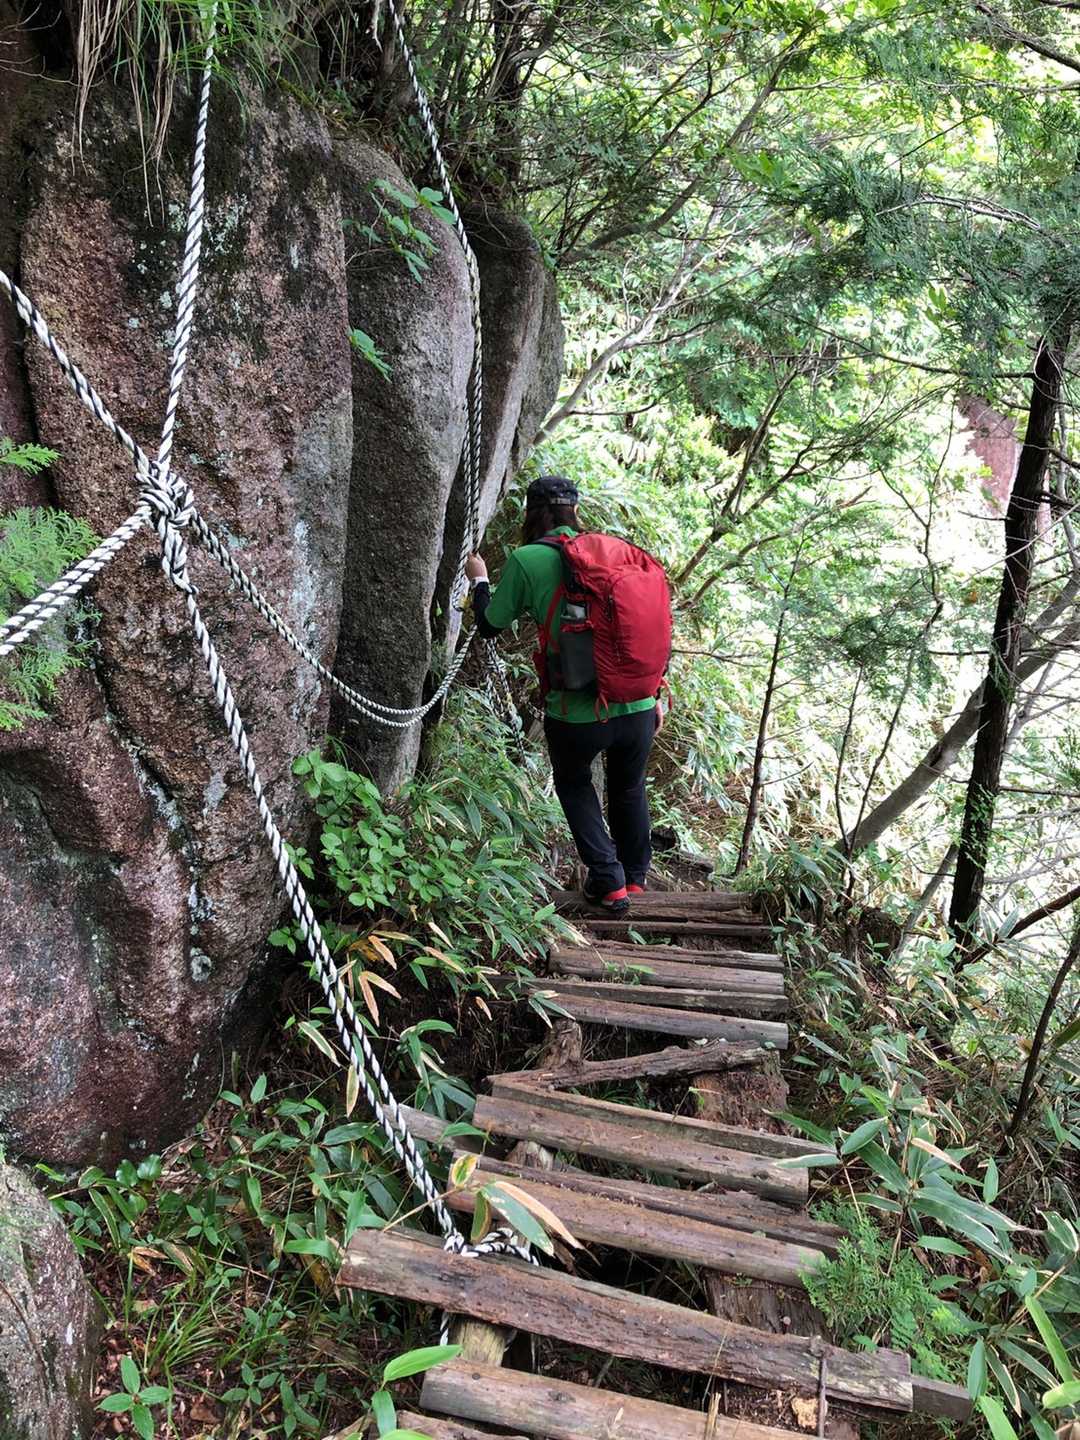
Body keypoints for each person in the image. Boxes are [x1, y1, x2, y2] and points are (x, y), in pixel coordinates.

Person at [465, 474, 666, 916]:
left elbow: (490, 625)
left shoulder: (528, 559)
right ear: (575, 511)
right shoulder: (612, 552)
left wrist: (479, 581)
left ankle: (609, 882)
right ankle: (634, 877)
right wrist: (654, 694)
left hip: (577, 713)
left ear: (532, 513)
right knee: (629, 786)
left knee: (575, 785)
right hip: (637, 704)